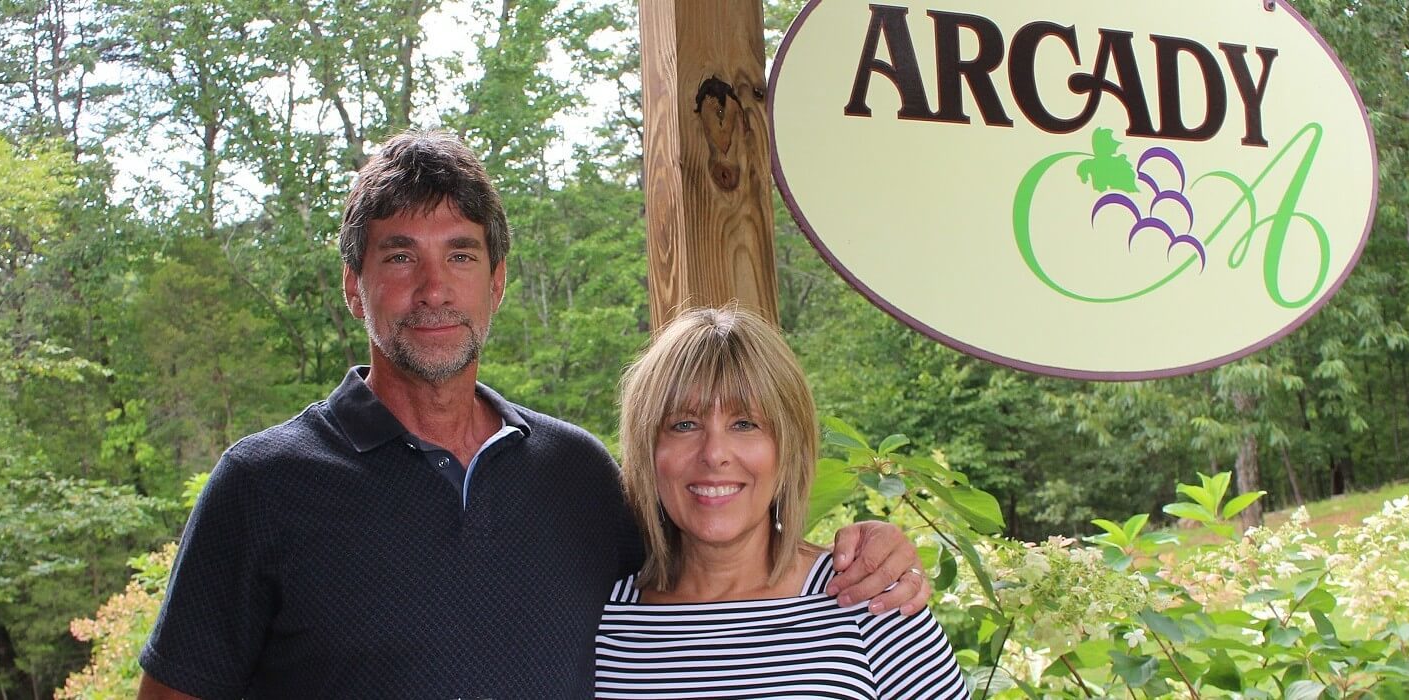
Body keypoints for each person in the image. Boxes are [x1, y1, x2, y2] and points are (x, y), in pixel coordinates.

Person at [137, 130, 930, 699]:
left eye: (460, 254)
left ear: (500, 280)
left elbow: (715, 552)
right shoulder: (264, 486)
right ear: (354, 287)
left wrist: (874, 548)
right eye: (399, 255)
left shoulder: (576, 475)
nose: (434, 289)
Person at [595, 306, 964, 699]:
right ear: (647, 450)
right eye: (684, 425)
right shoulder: (601, 617)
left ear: (789, 448)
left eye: (745, 424)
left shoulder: (869, 600)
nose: (715, 453)